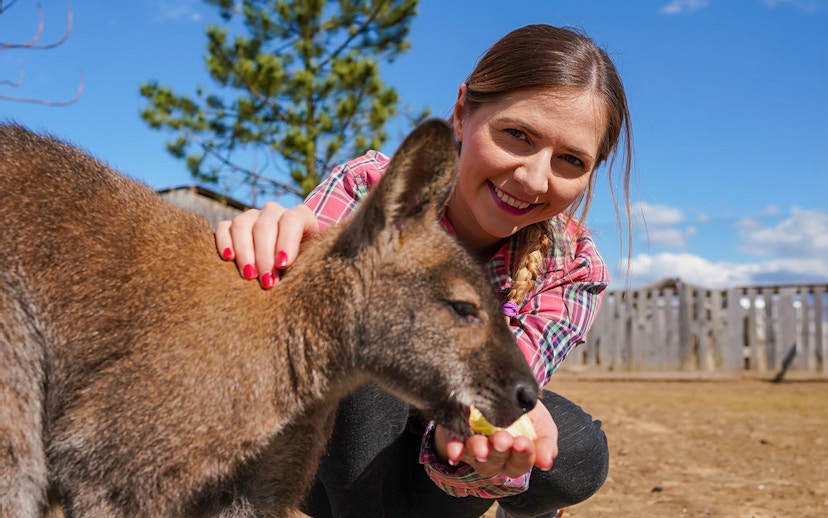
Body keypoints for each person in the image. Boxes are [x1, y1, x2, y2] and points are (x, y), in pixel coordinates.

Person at [215, 24, 633, 518]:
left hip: (444, 471)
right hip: (330, 459)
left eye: (570, 160)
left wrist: (495, 433)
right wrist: (271, 247)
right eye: (517, 135)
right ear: (462, 112)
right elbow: (299, 330)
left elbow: (489, 388)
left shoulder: (574, 262)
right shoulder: (378, 189)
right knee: (370, 315)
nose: (534, 178)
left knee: (576, 453)